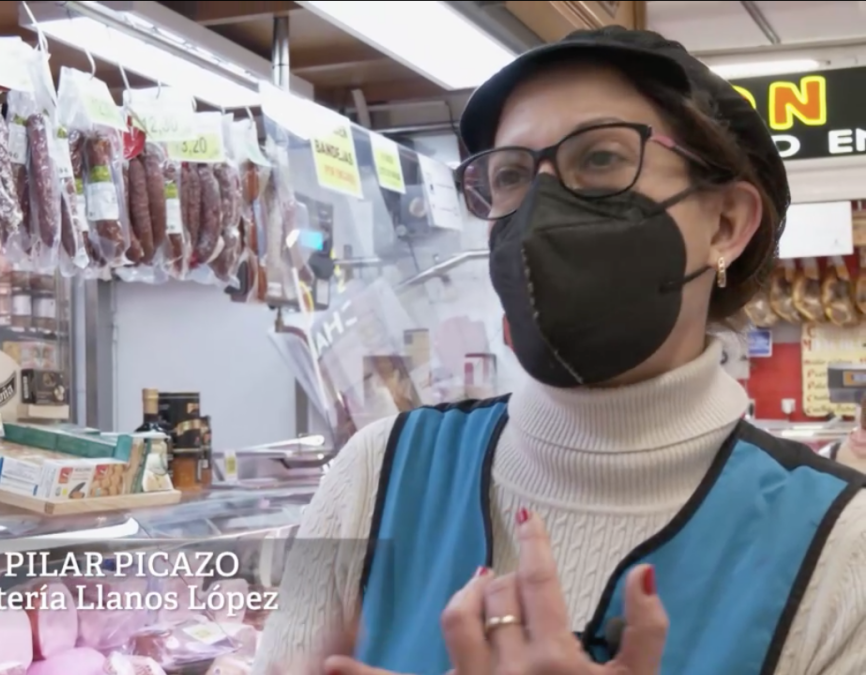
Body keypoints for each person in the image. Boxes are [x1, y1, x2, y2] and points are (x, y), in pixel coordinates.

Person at [253, 27, 866, 675]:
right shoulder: (373, 475)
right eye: (512, 174)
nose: (542, 209)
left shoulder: (842, 547)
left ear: (725, 224)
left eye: (600, 158)